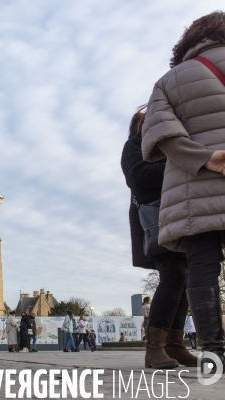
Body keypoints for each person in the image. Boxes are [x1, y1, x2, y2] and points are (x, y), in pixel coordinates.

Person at [141, 11, 225, 372]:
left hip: (197, 183)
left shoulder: (170, 80)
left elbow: (161, 133)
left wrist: (207, 158)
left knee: (203, 264)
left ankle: (214, 352)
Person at [123, 106, 195, 369]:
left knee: (185, 279)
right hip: (158, 223)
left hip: (181, 217)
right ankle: (155, 348)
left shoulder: (170, 146)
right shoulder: (134, 146)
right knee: (174, 275)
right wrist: (177, 161)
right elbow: (138, 179)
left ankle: (175, 345)